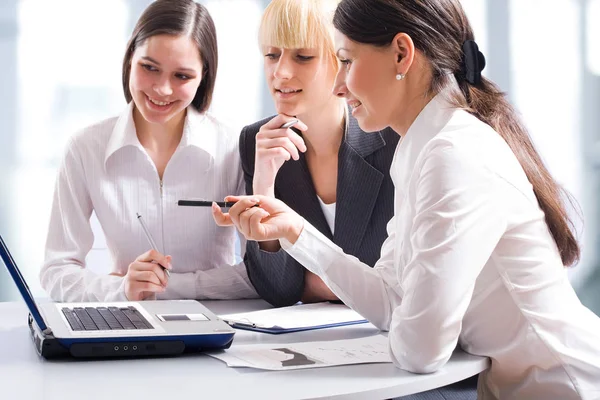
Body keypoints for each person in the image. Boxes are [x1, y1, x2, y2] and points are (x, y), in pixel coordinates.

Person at [214, 0, 600, 398]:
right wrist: (295, 232)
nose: (337, 85)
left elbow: (420, 350)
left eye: (346, 61)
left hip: (564, 386)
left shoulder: (452, 154)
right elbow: (390, 297)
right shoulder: (423, 148)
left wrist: (407, 316)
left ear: (401, 53)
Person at [40, 0, 257, 302]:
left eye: (181, 76)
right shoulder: (85, 148)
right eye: (149, 68)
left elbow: (257, 275)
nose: (162, 89)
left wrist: (167, 287)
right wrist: (121, 288)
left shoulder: (233, 149)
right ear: (130, 58)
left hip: (218, 326)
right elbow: (57, 271)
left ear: (203, 76)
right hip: (127, 325)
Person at [239, 0, 399, 307]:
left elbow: (397, 281)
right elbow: (277, 290)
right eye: (271, 55)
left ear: (341, 61)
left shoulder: (392, 137)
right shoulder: (257, 142)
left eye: (303, 57)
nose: (281, 72)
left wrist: (316, 285)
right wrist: (264, 187)